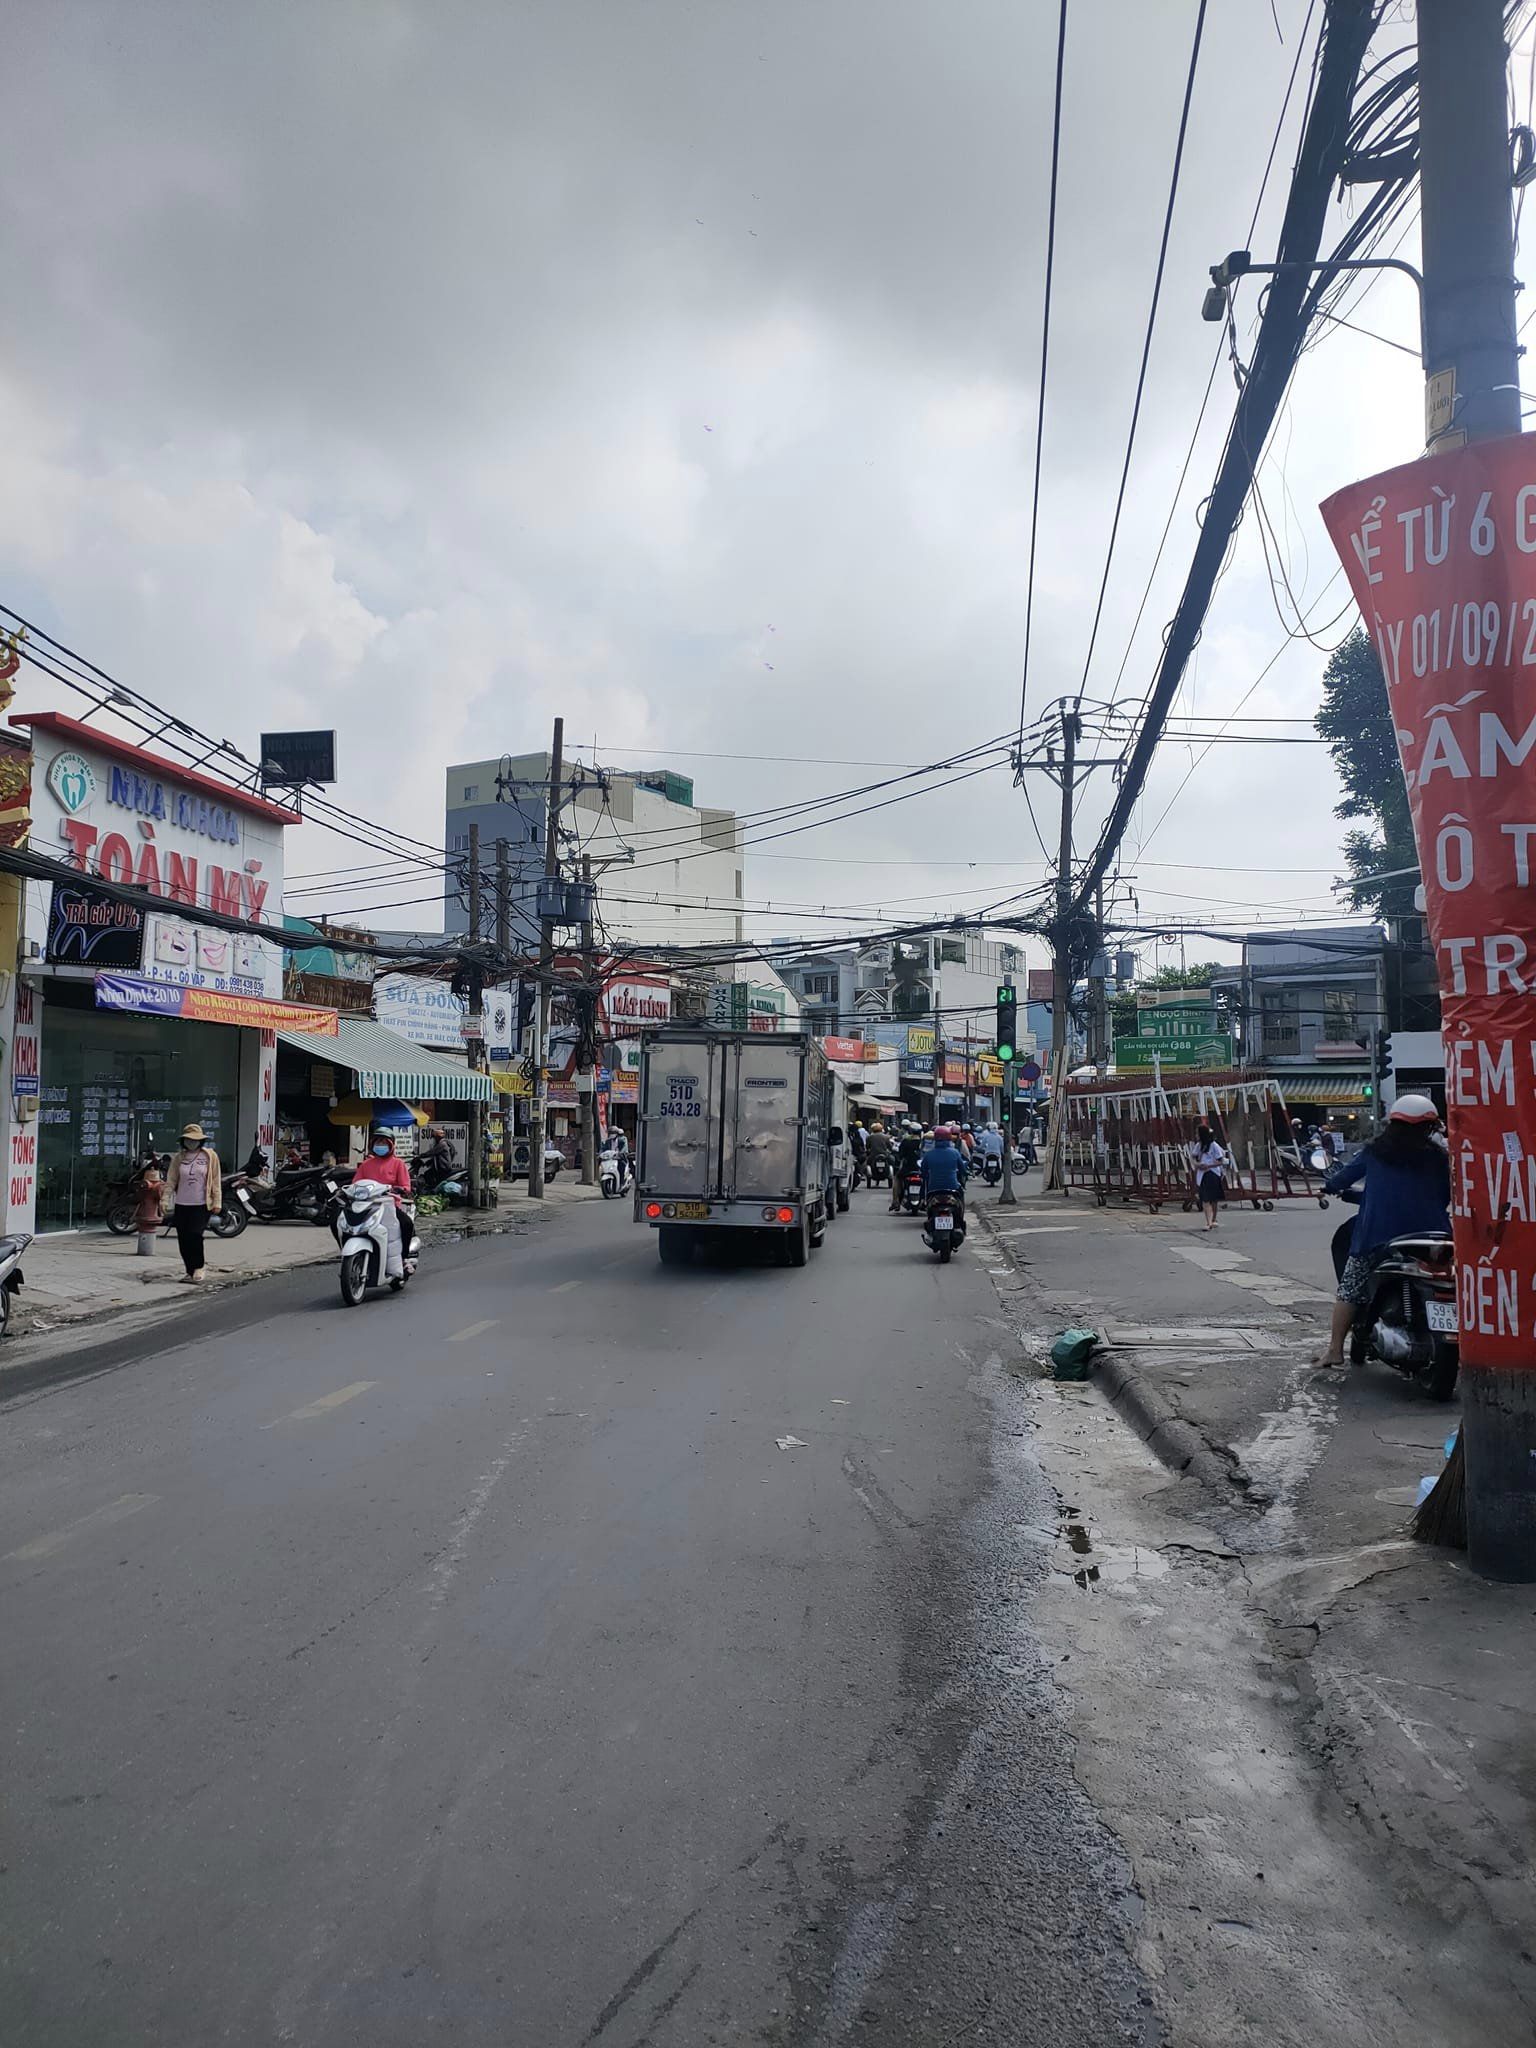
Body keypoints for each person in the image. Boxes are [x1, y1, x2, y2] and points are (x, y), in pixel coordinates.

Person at [1316, 1094, 1450, 1369]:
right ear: (1428, 1127)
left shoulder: (1375, 1153)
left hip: (1379, 1238)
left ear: (1393, 1123)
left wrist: (1329, 1186)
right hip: (1435, 1235)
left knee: (1350, 1288)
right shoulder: (1439, 1157)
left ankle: (1334, 1350)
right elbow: (1443, 1196)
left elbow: (1343, 1178)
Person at [352, 1128, 416, 1278]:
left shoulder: (398, 1164)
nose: (380, 1145)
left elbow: (406, 1186)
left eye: (383, 1142)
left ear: (391, 1145)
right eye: (378, 1142)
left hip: (389, 1206)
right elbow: (356, 1183)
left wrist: (400, 1189)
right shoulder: (366, 1165)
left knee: (406, 1224)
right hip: (368, 1206)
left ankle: (404, 1259)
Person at [163, 1122, 221, 1283]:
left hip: (201, 1204)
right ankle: (189, 1270)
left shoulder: (210, 1156)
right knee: (183, 1238)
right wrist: (164, 1199)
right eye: (188, 1140)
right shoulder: (178, 1158)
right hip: (182, 1204)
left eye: (195, 1140)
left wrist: (217, 1201)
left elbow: (215, 1180)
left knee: (195, 1235)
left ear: (201, 1141)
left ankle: (199, 1267)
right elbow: (171, 1180)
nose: (192, 1142)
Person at [919, 1122, 969, 1220]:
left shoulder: (929, 1154)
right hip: (952, 1186)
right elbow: (962, 1169)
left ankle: (926, 1209)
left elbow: (923, 1171)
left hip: (933, 1188)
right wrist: (965, 1173)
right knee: (961, 1194)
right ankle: (960, 1218)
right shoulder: (955, 1153)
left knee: (927, 1198)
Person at [1188, 1123, 1229, 1232]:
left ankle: (1213, 1219)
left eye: (1197, 1133)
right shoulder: (1199, 1146)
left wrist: (1208, 1166)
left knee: (1213, 1199)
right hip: (1202, 1174)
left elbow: (1221, 1161)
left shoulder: (1214, 1145)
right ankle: (1209, 1222)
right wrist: (1197, 1164)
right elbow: (1192, 1157)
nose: (1196, 1135)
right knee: (1205, 1199)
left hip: (1212, 1173)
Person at [890, 1120, 924, 1212]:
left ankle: (895, 1201)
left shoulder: (906, 1141)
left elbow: (900, 1155)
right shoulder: (923, 1142)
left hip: (907, 1169)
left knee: (897, 1178)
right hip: (921, 1169)